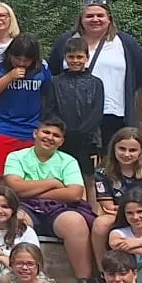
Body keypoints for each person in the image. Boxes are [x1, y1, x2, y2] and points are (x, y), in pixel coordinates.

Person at [3, 119, 95, 282]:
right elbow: (14, 187)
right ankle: (14, 276)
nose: (50, 137)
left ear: (61, 141)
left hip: (60, 209)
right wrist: (52, 183)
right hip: (26, 207)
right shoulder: (16, 157)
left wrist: (30, 191)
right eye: (46, 132)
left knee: (75, 222)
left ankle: (84, 281)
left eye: (56, 135)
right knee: (16, 219)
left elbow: (74, 194)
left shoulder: (68, 161)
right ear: (35, 134)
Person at [50, 0, 142, 143]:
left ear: (109, 18)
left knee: (110, 157)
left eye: (100, 15)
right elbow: (54, 70)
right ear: (81, 19)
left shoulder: (125, 43)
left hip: (111, 112)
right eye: (89, 16)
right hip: (71, 115)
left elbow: (140, 73)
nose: (95, 19)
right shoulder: (66, 41)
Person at [0, 33, 48, 179]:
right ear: (10, 54)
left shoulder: (43, 67)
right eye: (17, 58)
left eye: (26, 60)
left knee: (27, 176)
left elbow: (48, 94)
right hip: (1, 126)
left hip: (31, 128)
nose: (21, 63)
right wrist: (9, 77)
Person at [92, 127, 142, 262]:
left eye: (132, 150)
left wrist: (136, 214)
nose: (127, 154)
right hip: (118, 219)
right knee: (100, 224)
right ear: (113, 149)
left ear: (141, 152)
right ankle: (103, 270)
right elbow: (107, 207)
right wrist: (131, 212)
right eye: (122, 149)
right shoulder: (102, 173)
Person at [41, 37, 106, 185]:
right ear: (65, 57)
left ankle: (91, 207)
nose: (75, 61)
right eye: (71, 57)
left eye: (79, 57)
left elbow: (97, 111)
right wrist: (64, 131)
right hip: (62, 138)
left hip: (88, 139)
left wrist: (82, 131)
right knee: (61, 175)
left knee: (89, 178)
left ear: (87, 57)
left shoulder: (96, 83)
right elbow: (49, 110)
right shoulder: (54, 82)